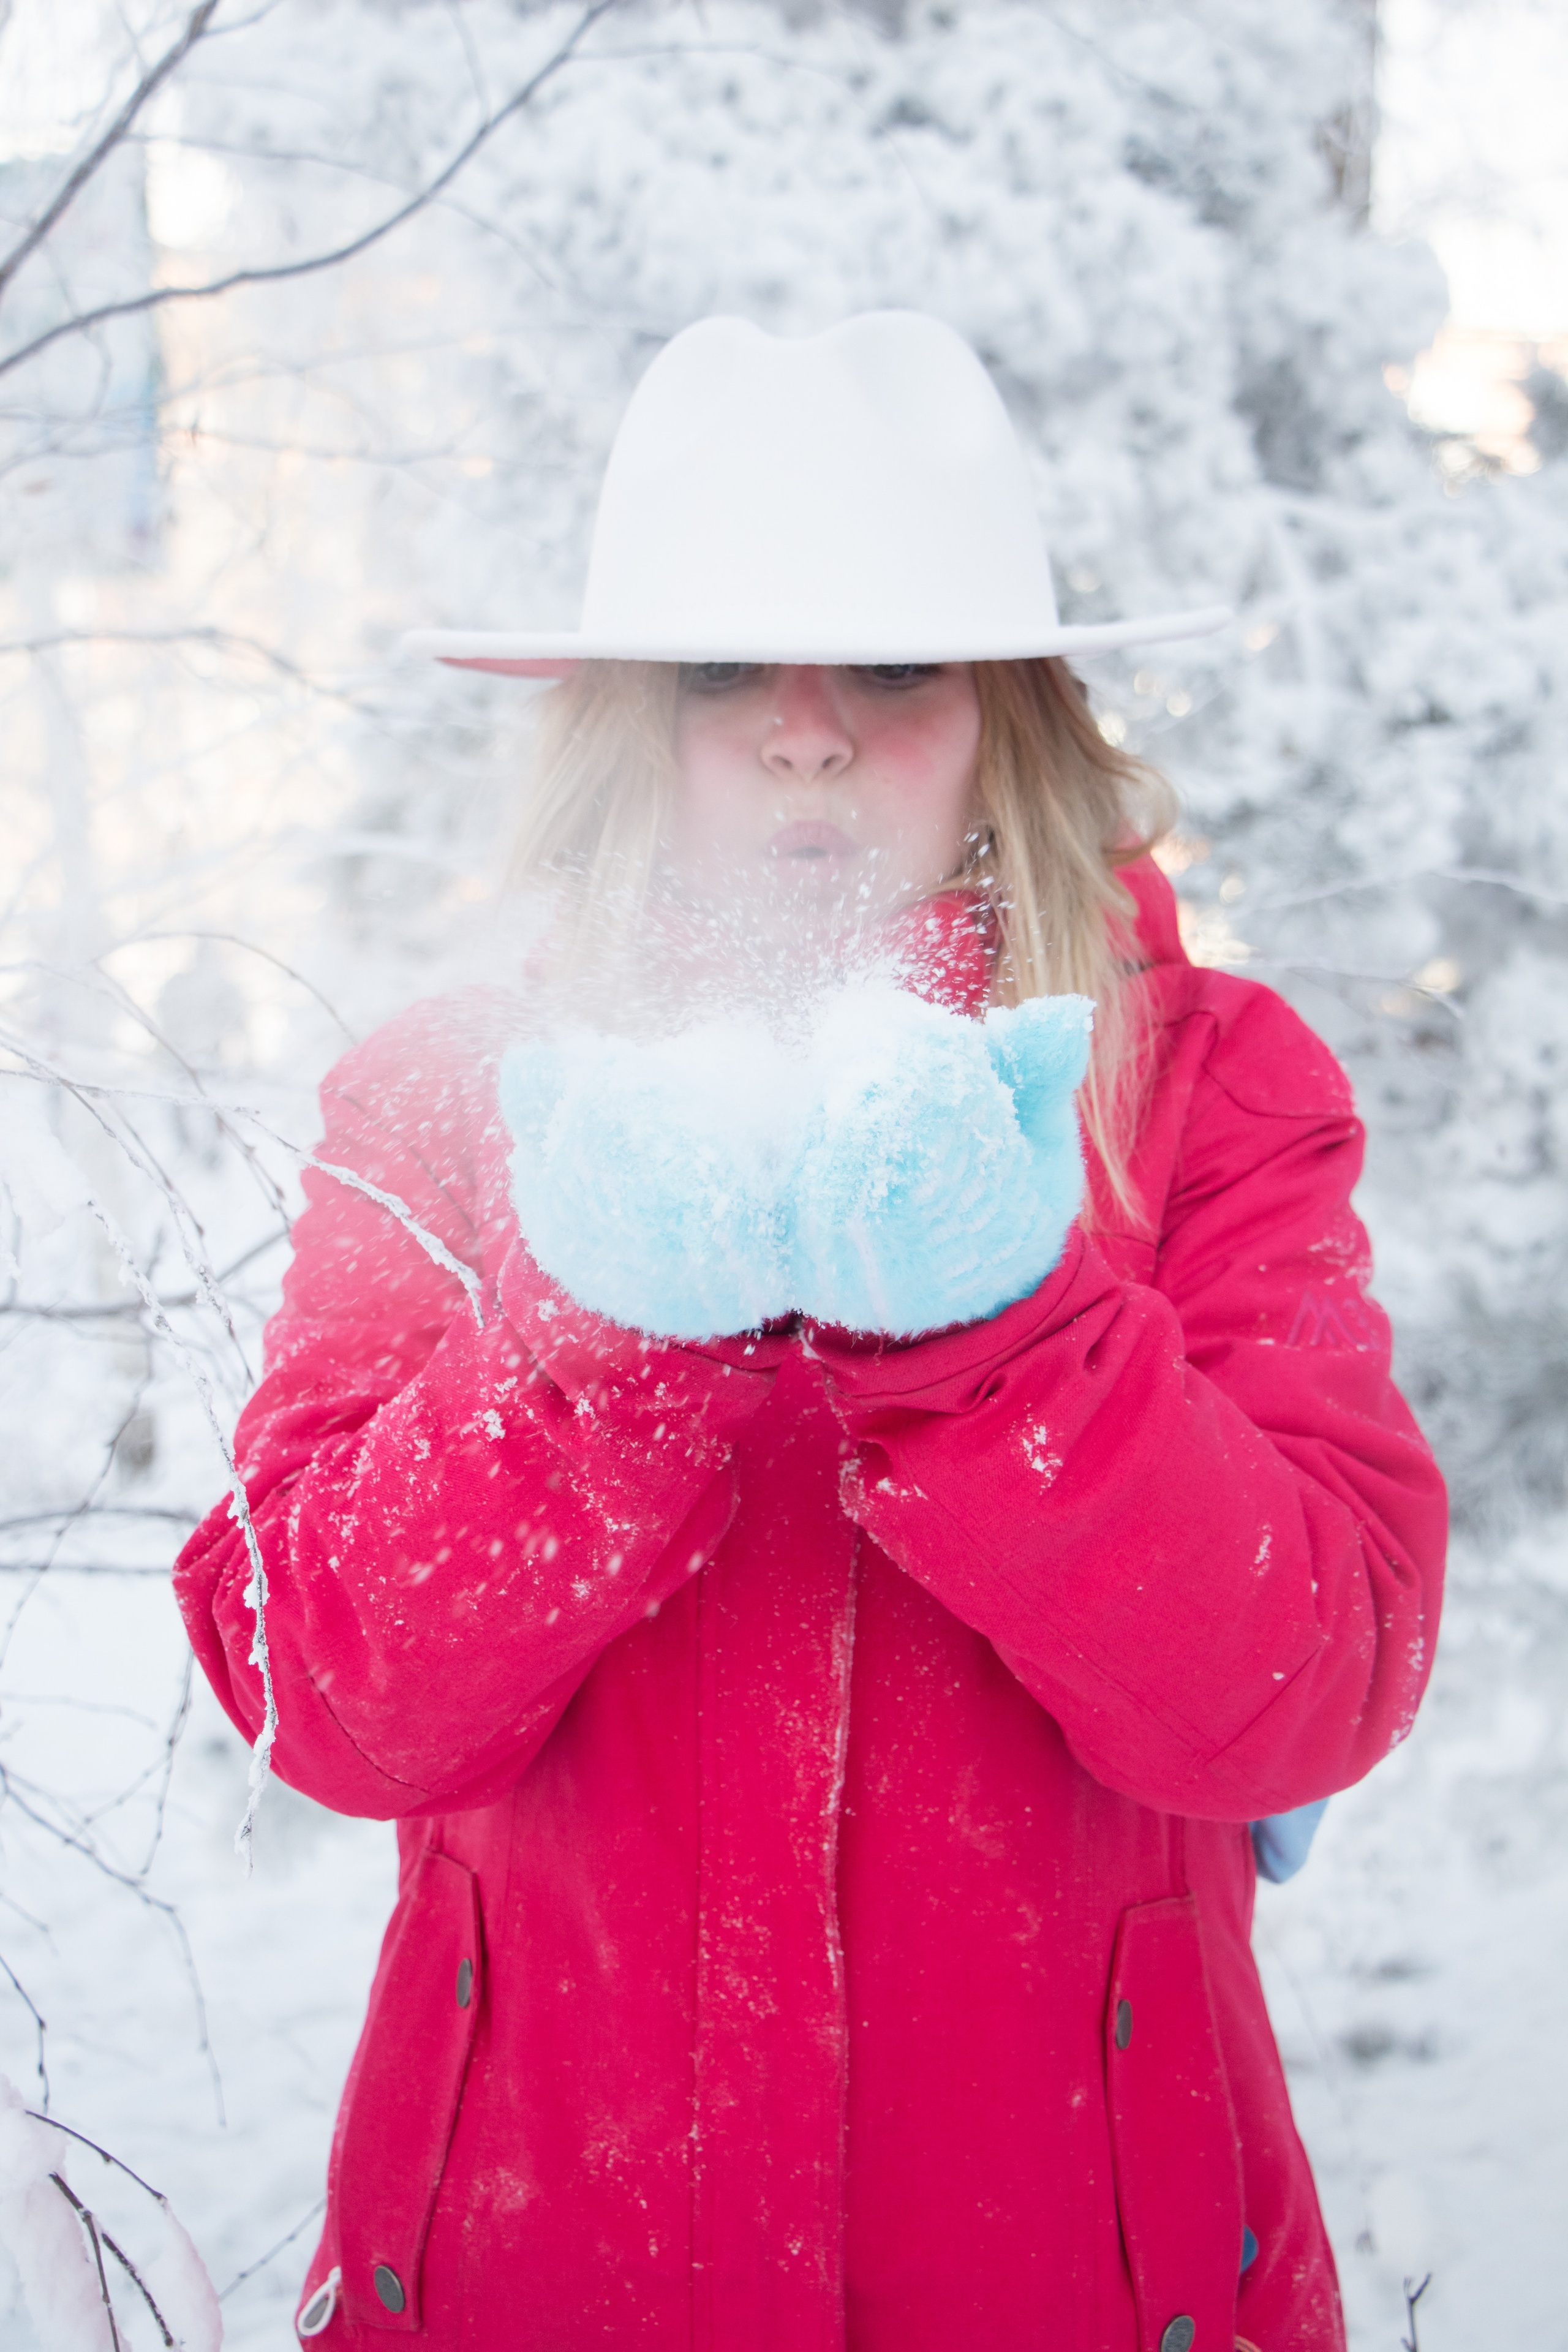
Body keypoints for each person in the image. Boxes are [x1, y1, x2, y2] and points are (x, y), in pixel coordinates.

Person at [174, 314, 1447, 2352]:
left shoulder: (1206, 1086)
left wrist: (1012, 1339)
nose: (803, 735)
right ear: (623, 721)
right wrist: (585, 1349)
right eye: (719, 672)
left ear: (1012, 717)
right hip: (533, 2278)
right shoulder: (455, 1097)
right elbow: (323, 1698)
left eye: (892, 665)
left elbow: (1314, 1687)